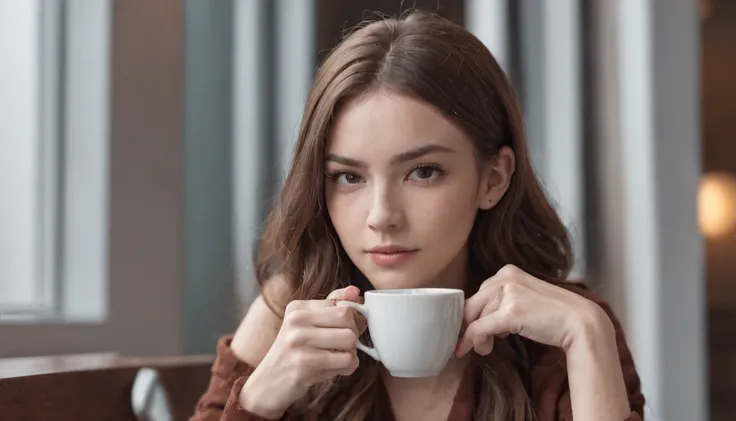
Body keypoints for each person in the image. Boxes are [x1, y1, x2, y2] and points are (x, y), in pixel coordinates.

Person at [190, 11, 645, 421]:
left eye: (423, 172)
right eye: (349, 177)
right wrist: (258, 400)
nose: (382, 216)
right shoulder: (285, 311)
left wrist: (588, 335)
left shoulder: (564, 333)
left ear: (493, 179)